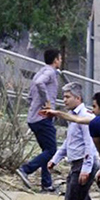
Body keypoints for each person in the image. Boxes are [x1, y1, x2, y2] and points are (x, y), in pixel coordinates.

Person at [47, 83, 99, 200]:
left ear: (78, 98)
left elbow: (89, 145)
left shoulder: (84, 117)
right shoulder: (72, 117)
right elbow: (69, 144)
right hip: (76, 164)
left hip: (83, 165)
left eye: (68, 97)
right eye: (64, 97)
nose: (65, 100)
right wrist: (55, 159)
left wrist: (86, 169)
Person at [17, 49, 62, 192]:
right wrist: (47, 101)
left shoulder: (40, 71)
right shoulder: (49, 73)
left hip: (34, 118)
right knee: (52, 150)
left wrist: (36, 104)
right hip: (42, 118)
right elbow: (39, 83)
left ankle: (47, 184)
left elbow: (30, 95)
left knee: (46, 151)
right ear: (55, 60)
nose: (61, 61)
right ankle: (25, 169)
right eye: (60, 58)